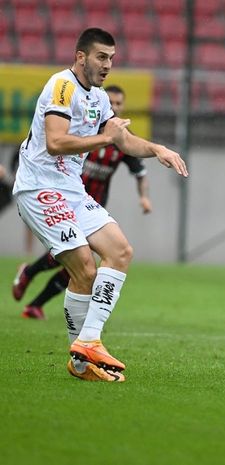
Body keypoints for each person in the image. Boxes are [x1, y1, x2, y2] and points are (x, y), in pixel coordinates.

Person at [12, 28, 188, 383]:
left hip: (71, 190)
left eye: (111, 58)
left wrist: (158, 150)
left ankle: (85, 352)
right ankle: (86, 348)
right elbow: (56, 143)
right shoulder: (61, 86)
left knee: (120, 251)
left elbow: (121, 139)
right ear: (81, 56)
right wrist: (107, 136)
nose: (108, 65)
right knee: (85, 270)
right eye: (101, 57)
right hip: (38, 188)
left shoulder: (100, 97)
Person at [12, 85, 153, 320]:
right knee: (75, 259)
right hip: (64, 199)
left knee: (81, 266)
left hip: (91, 205)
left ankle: (35, 303)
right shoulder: (86, 129)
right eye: (112, 102)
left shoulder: (119, 140)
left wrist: (144, 197)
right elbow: (55, 143)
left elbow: (139, 172)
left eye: (119, 104)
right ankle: (30, 274)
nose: (115, 107)